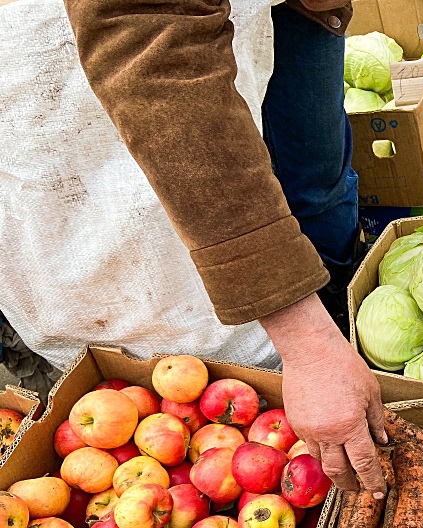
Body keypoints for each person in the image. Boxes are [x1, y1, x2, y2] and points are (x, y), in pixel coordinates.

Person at [63, 0, 386, 494]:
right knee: (145, 265)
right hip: (132, 51)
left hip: (287, 11)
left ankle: (333, 321)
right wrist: (310, 348)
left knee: (320, 187)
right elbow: (154, 56)